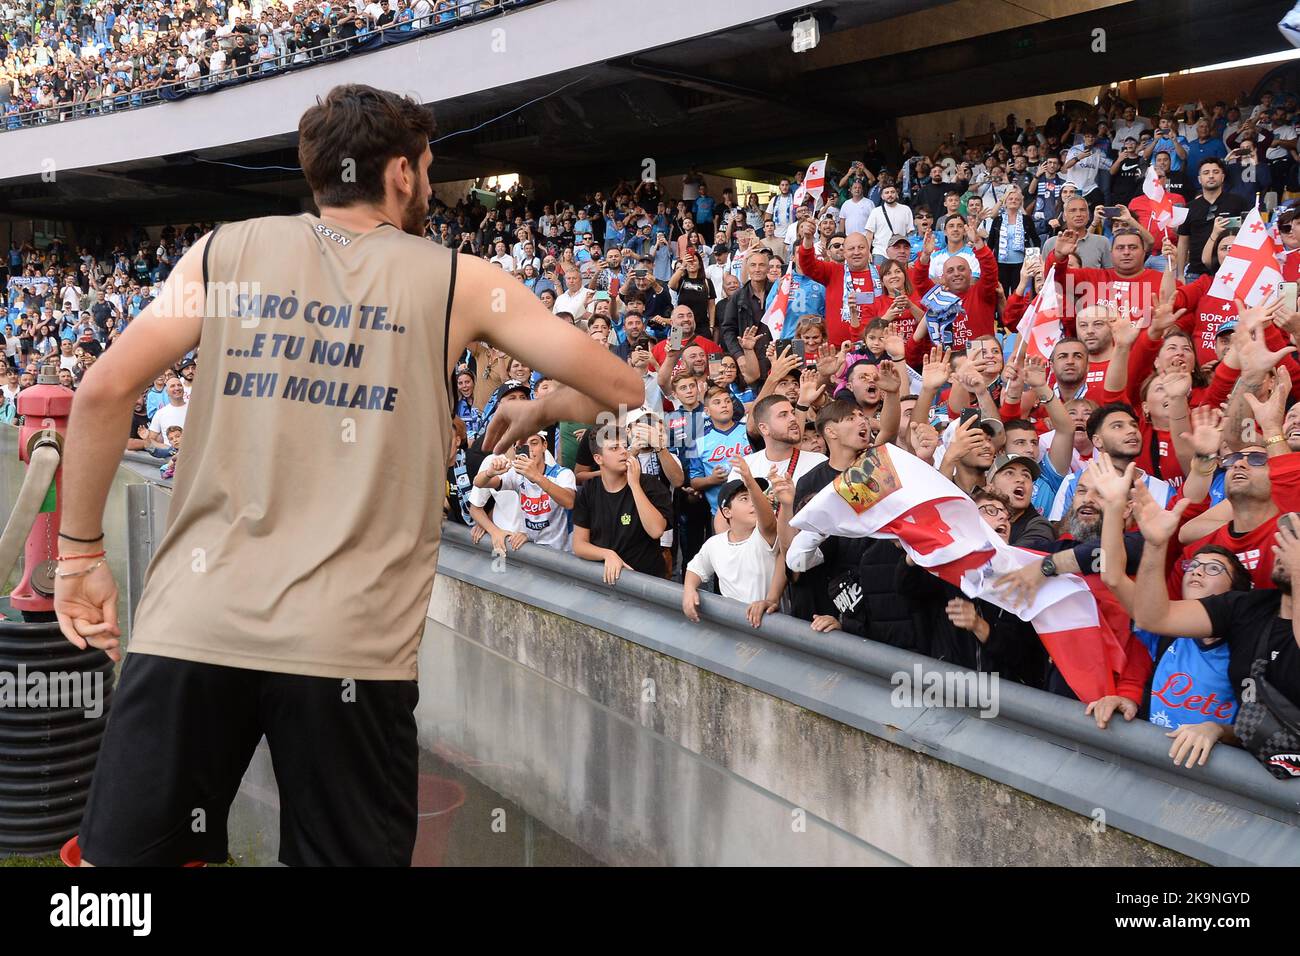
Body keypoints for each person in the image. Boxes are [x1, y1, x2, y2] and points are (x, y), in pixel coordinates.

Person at [54, 84, 643, 867]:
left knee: (113, 887)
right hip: (349, 652)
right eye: (428, 169)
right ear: (400, 173)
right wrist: (540, 407)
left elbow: (100, 391)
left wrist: (78, 556)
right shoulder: (460, 280)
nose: (429, 186)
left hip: (194, 625)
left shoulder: (224, 251)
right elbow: (626, 391)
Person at [682, 460, 781, 628]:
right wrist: (689, 590)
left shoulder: (763, 535)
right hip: (733, 627)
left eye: (754, 496)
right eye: (744, 498)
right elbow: (694, 569)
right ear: (727, 512)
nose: (753, 502)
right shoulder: (715, 544)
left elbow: (769, 522)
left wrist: (750, 481)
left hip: (770, 625)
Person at [572, 428, 673, 583]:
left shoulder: (650, 485)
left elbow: (656, 530)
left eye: (624, 446)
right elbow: (579, 545)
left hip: (646, 582)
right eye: (614, 448)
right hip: (607, 580)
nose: (623, 452)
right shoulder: (589, 490)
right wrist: (608, 554)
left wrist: (634, 485)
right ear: (599, 459)